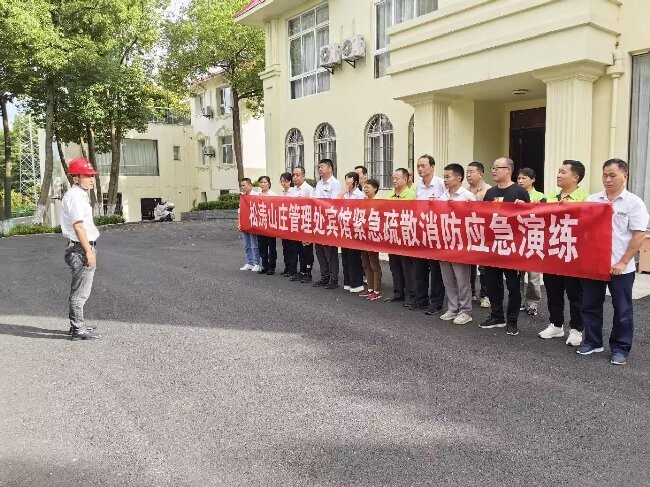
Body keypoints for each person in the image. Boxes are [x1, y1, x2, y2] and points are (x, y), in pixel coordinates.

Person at [577, 159, 649, 365]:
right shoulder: (593, 200)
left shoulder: (634, 203)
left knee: (622, 309)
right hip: (594, 265)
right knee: (590, 305)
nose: (607, 179)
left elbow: (638, 235)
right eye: (605, 175)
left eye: (613, 175)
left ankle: (620, 348)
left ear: (625, 176)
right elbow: (583, 229)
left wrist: (623, 262)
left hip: (621, 267)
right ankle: (592, 341)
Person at [537, 160, 589, 346]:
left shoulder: (586, 199)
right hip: (552, 252)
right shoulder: (550, 197)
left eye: (563, 172)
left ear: (575, 177)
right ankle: (556, 325)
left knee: (576, 295)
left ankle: (576, 329)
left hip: (573, 253)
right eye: (558, 171)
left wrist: (571, 208)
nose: (558, 175)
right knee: (553, 291)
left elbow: (589, 224)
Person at [480, 157, 530, 336]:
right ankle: (497, 316)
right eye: (492, 167)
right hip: (493, 247)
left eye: (498, 168)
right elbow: (484, 217)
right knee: (493, 284)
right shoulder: (490, 192)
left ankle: (512, 320)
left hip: (512, 248)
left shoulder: (519, 191)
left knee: (513, 286)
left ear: (509, 170)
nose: (494, 171)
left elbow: (528, 218)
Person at [61, 157, 101, 340]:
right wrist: (88, 251)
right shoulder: (75, 197)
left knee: (80, 290)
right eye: (87, 176)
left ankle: (77, 325)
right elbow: (78, 226)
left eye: (92, 175)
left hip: (79, 247)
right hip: (80, 248)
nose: (92, 179)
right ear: (75, 178)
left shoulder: (79, 195)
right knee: (80, 293)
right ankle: (78, 329)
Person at [438, 164, 477, 325]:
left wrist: (459, 209)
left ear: (458, 178)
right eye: (444, 177)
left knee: (462, 279)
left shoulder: (468, 196)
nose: (445, 180)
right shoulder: (442, 196)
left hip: (461, 244)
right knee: (448, 279)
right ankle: (453, 308)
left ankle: (465, 310)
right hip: (444, 242)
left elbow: (475, 218)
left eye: (448, 177)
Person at [413, 154, 446, 315]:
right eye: (418, 166)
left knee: (436, 270)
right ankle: (421, 299)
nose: (420, 169)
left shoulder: (441, 184)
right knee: (420, 268)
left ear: (432, 167)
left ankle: (436, 303)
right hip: (421, 231)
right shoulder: (418, 186)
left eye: (423, 166)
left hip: (436, 232)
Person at [384, 168, 416, 303]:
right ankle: (398, 292)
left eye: (397, 178)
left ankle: (410, 295)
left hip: (406, 237)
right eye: (393, 178)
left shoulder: (412, 196)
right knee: (395, 266)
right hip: (393, 236)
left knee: (408, 267)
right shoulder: (389, 196)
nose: (394, 180)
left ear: (405, 179)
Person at [516, 168, 545, 317]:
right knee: (518, 275)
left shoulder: (541, 196)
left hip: (534, 238)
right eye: (519, 178)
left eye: (524, 178)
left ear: (533, 180)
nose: (520, 181)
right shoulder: (514, 194)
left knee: (533, 275)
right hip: (517, 239)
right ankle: (521, 301)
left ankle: (533, 304)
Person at [313, 159, 342, 289]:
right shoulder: (319, 183)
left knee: (330, 252)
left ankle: (333, 279)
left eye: (322, 166)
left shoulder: (335, 184)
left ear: (330, 168)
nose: (319, 169)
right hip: (318, 221)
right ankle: (324, 276)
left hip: (329, 222)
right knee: (320, 251)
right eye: (319, 167)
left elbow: (334, 203)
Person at [466, 161, 491, 308]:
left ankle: (486, 295)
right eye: (467, 172)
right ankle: (470, 292)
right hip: (468, 232)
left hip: (484, 233)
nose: (468, 175)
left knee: (484, 266)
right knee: (468, 265)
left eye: (472, 172)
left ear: (481, 174)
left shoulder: (489, 190)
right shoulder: (464, 191)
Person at [338, 172, 365, 293]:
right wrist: (344, 190)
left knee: (354, 257)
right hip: (345, 229)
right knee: (345, 257)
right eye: (346, 181)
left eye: (349, 181)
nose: (347, 184)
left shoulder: (359, 195)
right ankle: (348, 282)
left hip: (355, 230)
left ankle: (357, 283)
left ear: (356, 182)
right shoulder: (345, 194)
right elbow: (336, 202)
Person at [289, 166, 315, 283]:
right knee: (299, 249)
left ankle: (308, 273)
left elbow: (313, 206)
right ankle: (302, 271)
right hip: (296, 223)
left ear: (303, 176)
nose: (295, 177)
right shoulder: (292, 190)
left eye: (298, 175)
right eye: (294, 175)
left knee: (307, 250)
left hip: (306, 224)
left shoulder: (309, 189)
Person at [360, 178, 383, 301]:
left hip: (373, 237)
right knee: (366, 263)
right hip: (363, 236)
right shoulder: (363, 202)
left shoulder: (379, 203)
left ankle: (377, 290)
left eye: (368, 187)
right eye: (364, 187)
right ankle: (369, 288)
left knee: (374, 264)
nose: (365, 189)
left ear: (375, 188)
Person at [256, 175, 278, 275]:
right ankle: (264, 266)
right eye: (261, 182)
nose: (263, 184)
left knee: (271, 247)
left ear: (269, 183)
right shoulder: (257, 195)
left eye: (265, 182)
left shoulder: (274, 195)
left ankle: (271, 267)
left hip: (270, 225)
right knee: (262, 246)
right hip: (260, 225)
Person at [239, 178, 261, 272]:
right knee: (247, 244)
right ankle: (250, 263)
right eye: (241, 185)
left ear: (250, 185)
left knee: (254, 244)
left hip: (253, 223)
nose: (242, 187)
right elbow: (240, 210)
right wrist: (239, 223)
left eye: (244, 185)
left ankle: (257, 263)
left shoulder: (256, 195)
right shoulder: (242, 196)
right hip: (244, 222)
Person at [278, 172, 296, 277]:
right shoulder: (281, 193)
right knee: (285, 247)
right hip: (284, 223)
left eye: (285, 181)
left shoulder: (293, 192)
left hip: (292, 222)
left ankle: (293, 269)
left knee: (292, 247)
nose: (283, 183)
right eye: (281, 181)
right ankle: (287, 267)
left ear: (290, 181)